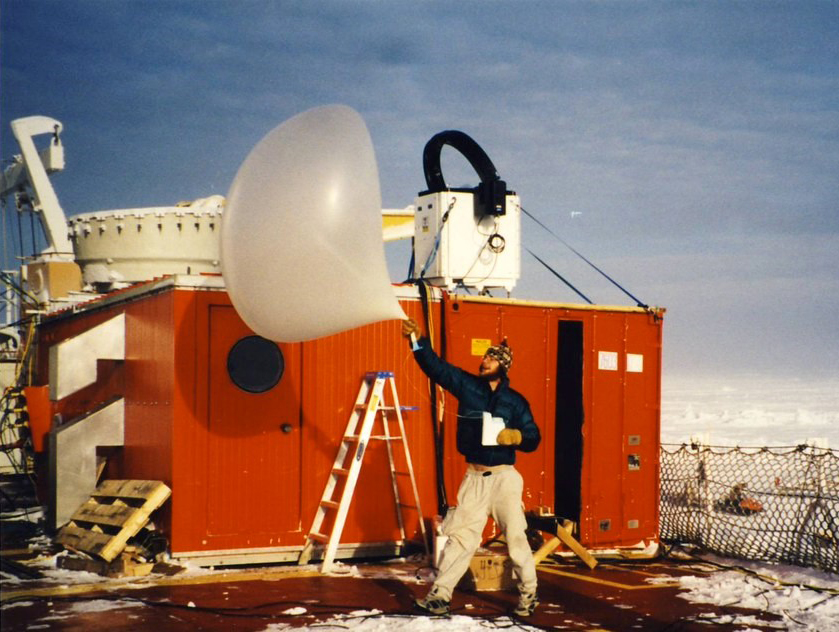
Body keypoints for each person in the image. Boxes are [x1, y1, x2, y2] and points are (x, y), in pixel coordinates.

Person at [402, 318, 541, 617]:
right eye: (484, 356)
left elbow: (533, 436)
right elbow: (436, 367)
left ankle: (529, 595)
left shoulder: (516, 402)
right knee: (461, 539)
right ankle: (439, 597)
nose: (484, 360)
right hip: (474, 478)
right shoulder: (467, 386)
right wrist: (418, 341)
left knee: (516, 538)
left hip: (505, 479)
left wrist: (517, 436)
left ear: (503, 366)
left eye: (491, 358)